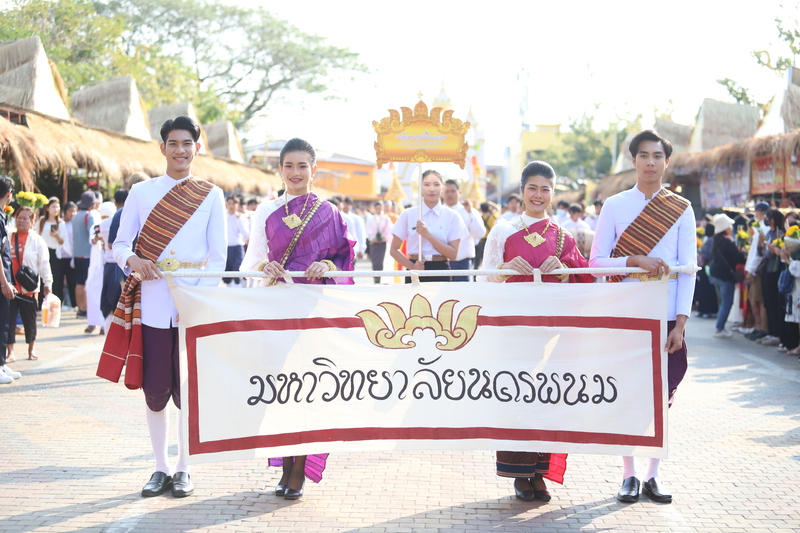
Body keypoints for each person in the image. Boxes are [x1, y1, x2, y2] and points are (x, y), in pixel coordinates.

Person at [98, 115, 226, 499]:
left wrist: (197, 301)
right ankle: (160, 467)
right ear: (162, 148)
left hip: (191, 307)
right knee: (155, 390)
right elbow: (120, 245)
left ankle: (185, 468)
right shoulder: (141, 192)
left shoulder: (211, 195)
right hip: (151, 304)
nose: (180, 150)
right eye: (173, 143)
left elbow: (218, 258)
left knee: (188, 391)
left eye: (187, 143)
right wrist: (132, 260)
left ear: (197, 148)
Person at [240, 137, 355, 500]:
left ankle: (300, 467)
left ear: (313, 170)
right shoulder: (267, 210)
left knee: (310, 386)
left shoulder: (330, 213)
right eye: (288, 166)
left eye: (302, 166)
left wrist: (328, 265)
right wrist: (265, 266)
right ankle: (285, 463)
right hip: (277, 307)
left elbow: (345, 261)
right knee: (282, 388)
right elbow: (250, 261)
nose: (295, 172)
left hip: (313, 309)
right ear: (280, 169)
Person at [590, 130, 696, 504]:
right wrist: (633, 260)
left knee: (662, 400)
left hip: (666, 317)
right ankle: (629, 474)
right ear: (633, 160)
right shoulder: (614, 205)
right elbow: (595, 262)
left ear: (666, 161)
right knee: (626, 395)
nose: (651, 162)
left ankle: (653, 474)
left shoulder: (681, 208)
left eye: (658, 156)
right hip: (626, 313)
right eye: (644, 155)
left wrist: (681, 323)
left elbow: (689, 269)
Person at [480, 160, 593, 502]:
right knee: (518, 393)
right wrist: (503, 268)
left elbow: (584, 279)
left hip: (552, 331)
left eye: (546, 189)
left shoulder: (564, 237)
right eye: (533, 188)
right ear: (522, 191)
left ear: (553, 194)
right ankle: (519, 472)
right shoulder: (503, 231)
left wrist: (565, 273)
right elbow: (483, 277)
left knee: (547, 395)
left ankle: (540, 472)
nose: (538, 195)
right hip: (514, 328)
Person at [389, 170, 468, 283]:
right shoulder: (408, 214)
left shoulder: (453, 216)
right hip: (416, 268)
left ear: (443, 188)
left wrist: (428, 235)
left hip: (441, 269)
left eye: (436, 184)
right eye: (426, 184)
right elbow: (393, 249)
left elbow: (453, 255)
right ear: (420, 188)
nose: (431, 189)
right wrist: (412, 266)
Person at [7, 206, 52, 362]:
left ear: (32, 221)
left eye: (25, 218)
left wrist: (48, 283)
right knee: (9, 321)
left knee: (30, 320)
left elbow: (44, 263)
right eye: (19, 218)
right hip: (9, 288)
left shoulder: (37, 240)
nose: (21, 221)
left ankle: (31, 349)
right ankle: (10, 352)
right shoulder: (8, 236)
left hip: (29, 288)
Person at [707, 214, 746, 337]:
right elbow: (738, 258)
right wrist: (744, 253)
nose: (731, 228)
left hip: (715, 275)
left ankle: (719, 327)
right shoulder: (727, 241)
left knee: (723, 302)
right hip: (725, 276)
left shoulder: (717, 240)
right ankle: (719, 329)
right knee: (726, 303)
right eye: (729, 226)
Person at [442, 179, 485, 282]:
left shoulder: (469, 211)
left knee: (462, 291)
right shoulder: (438, 212)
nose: (450, 194)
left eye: (453, 191)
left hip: (463, 261)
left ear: (460, 192)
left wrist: (470, 213)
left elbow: (479, 234)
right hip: (442, 261)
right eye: (446, 191)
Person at [0, 177, 20, 383]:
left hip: (4, 277)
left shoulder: (2, 215)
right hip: (1, 280)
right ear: (8, 194)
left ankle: (1, 363)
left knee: (4, 321)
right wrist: (4, 282)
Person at [72, 191, 98, 318]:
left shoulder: (75, 216)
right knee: (87, 282)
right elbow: (93, 234)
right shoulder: (89, 216)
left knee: (79, 283)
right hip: (87, 254)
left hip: (77, 254)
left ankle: (80, 309)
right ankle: (86, 309)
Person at [37, 197, 68, 304]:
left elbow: (63, 241)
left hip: (55, 253)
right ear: (47, 208)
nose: (56, 209)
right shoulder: (42, 221)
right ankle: (40, 303)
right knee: (41, 277)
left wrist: (56, 236)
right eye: (53, 207)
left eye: (57, 207)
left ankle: (54, 303)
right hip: (42, 252)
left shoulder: (61, 223)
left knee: (55, 279)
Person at [224, 196, 249, 286]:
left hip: (237, 247)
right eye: (229, 203)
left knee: (237, 271)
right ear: (226, 204)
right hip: (226, 247)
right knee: (227, 273)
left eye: (233, 204)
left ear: (237, 205)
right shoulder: (223, 216)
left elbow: (245, 233)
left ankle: (238, 290)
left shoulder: (241, 218)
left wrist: (239, 220)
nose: (231, 206)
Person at [366, 201, 392, 284]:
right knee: (375, 260)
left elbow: (390, 230)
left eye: (380, 208)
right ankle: (376, 278)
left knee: (381, 260)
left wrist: (384, 237)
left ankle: (381, 278)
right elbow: (367, 230)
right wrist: (372, 238)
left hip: (383, 242)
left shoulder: (386, 219)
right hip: (373, 242)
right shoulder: (371, 218)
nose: (379, 210)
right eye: (377, 208)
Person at [60, 202, 77, 310]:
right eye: (70, 211)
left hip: (72, 256)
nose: (72, 213)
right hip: (60, 256)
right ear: (65, 212)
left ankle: (74, 304)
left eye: (74, 211)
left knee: (72, 281)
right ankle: (61, 303)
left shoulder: (76, 224)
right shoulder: (60, 223)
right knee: (59, 281)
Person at [474, 202, 499, 270]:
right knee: (490, 260)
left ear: (481, 210)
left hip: (480, 241)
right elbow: (498, 209)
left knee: (477, 261)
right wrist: (490, 203)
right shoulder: (493, 217)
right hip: (490, 241)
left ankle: (475, 274)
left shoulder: (479, 218)